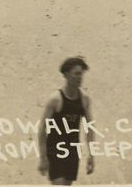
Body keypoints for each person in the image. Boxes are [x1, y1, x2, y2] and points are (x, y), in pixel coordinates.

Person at [38, 56, 94, 185]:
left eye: (81, 74)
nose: (79, 78)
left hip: (73, 152)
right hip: (55, 151)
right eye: (76, 74)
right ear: (66, 75)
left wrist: (91, 155)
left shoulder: (85, 100)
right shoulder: (55, 99)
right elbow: (42, 130)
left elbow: (90, 129)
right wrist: (43, 157)